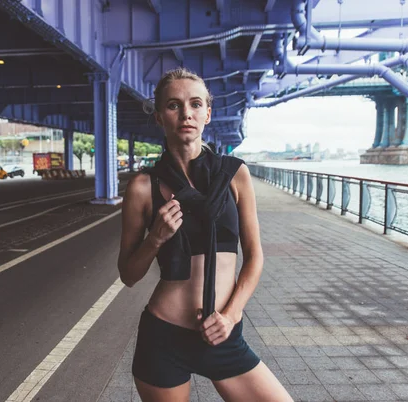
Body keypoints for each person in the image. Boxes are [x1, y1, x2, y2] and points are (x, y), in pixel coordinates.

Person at [117, 67, 293, 401]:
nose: (186, 113)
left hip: (222, 334)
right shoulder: (144, 187)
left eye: (195, 104)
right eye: (173, 105)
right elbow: (128, 274)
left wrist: (231, 315)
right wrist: (155, 238)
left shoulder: (235, 175)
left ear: (208, 114)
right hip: (164, 338)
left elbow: (255, 257)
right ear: (159, 117)